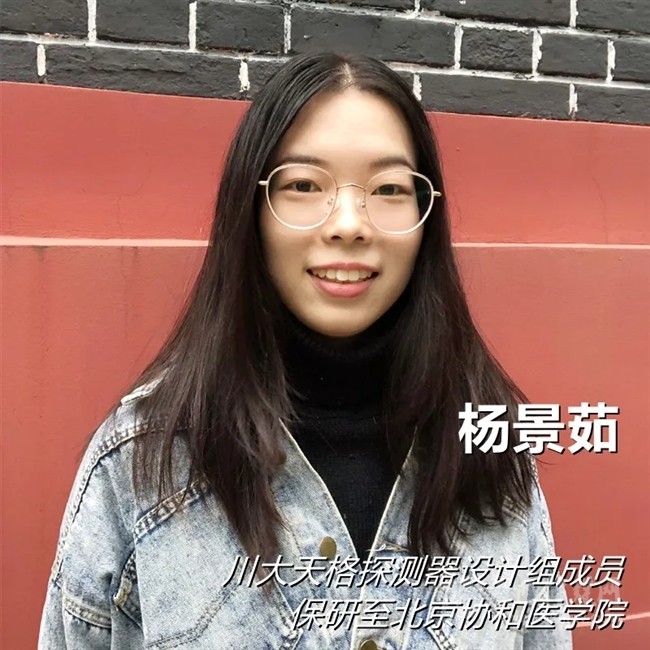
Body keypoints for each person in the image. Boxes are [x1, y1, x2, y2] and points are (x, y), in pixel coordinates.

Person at [38, 52, 571, 649]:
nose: (348, 224)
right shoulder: (142, 461)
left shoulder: (494, 450)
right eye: (303, 185)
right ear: (250, 211)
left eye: (389, 188)